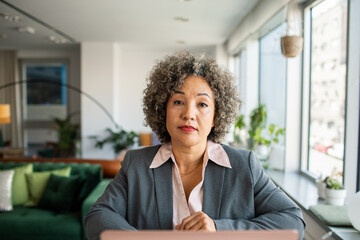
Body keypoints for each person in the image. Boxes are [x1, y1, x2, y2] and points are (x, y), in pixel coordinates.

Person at [85, 51, 305, 240]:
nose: (189, 114)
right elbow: (98, 215)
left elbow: (293, 221)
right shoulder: (136, 164)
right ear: (163, 110)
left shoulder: (244, 165)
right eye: (178, 102)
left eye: (202, 104)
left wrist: (219, 229)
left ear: (216, 116)